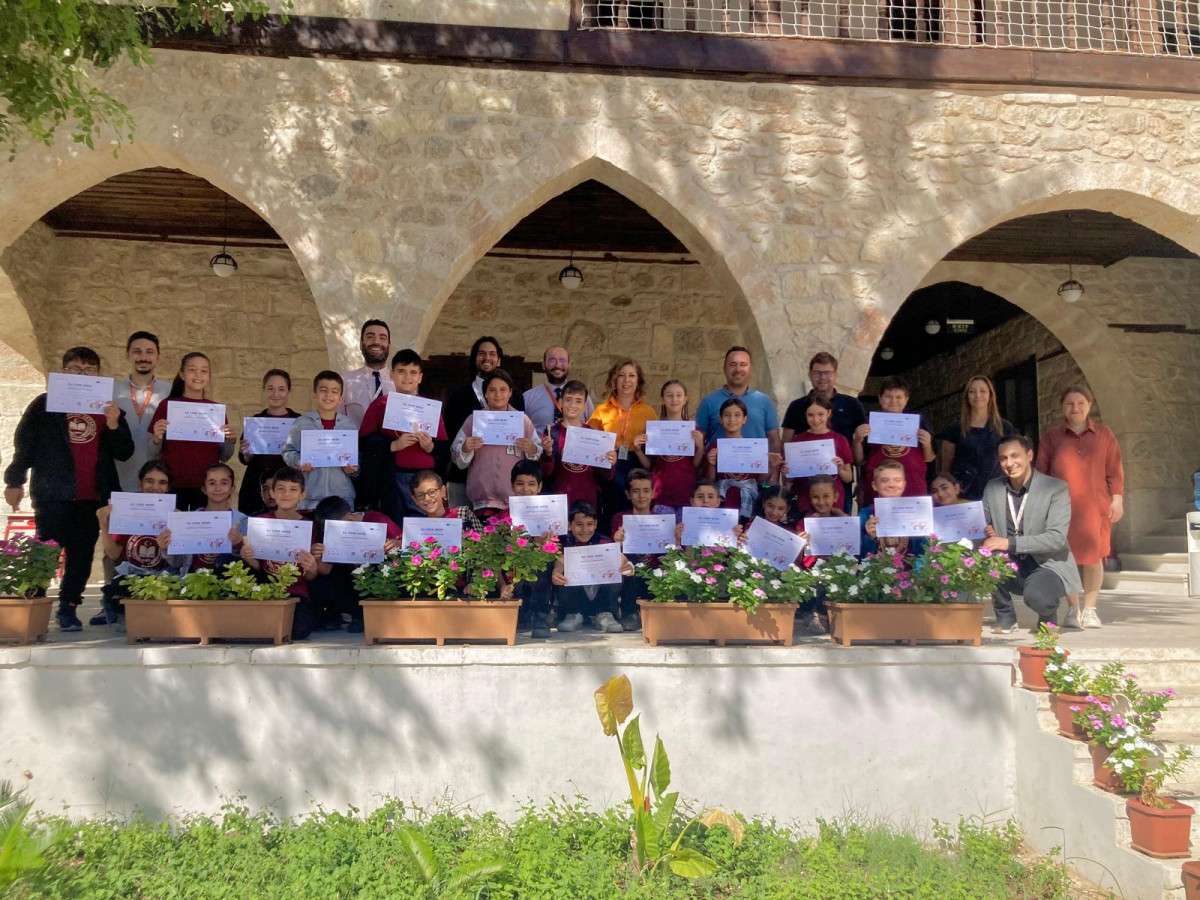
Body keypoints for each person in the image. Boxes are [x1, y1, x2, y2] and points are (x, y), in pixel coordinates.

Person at [4, 347, 134, 631]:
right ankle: (34, 605)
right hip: (53, 493)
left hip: (92, 497)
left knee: (81, 556)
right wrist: (14, 480)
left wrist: (114, 424)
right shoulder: (44, 405)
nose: (82, 374)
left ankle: (68, 607)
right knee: (45, 553)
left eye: (89, 370)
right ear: (64, 372)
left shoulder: (107, 408)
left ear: (98, 374)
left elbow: (125, 452)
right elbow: (24, 444)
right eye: (75, 369)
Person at [1035, 386, 1124, 630]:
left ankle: (1091, 609)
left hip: (1096, 507)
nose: (1075, 408)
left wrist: (1117, 499)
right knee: (1066, 559)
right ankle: (1073, 609)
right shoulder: (1052, 437)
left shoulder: (1104, 434)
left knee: (1095, 557)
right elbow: (1041, 473)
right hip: (1061, 509)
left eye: (1080, 403)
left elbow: (1115, 470)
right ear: (1062, 407)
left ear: (1089, 405)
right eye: (1069, 404)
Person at [983, 435, 1082, 634]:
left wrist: (1008, 543)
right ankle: (1005, 619)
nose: (1009, 463)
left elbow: (1056, 538)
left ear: (1029, 455)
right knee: (985, 558)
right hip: (1011, 563)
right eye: (1003, 458)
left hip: (1047, 564)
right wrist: (985, 531)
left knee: (1038, 596)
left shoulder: (1056, 488)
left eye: (1015, 456)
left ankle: (1048, 618)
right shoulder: (992, 488)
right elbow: (981, 523)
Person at [94, 460, 186, 630]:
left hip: (165, 580)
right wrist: (103, 524)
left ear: (168, 487)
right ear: (140, 483)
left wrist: (166, 545)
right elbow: (113, 554)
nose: (155, 487)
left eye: (162, 482)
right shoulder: (126, 512)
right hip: (133, 579)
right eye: (149, 481)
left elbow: (180, 562)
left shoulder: (177, 516)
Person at [359, 349, 448, 521]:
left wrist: (430, 446)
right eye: (401, 371)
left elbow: (444, 448)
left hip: (426, 479)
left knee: (423, 528)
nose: (407, 377)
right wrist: (393, 445)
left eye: (413, 372)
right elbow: (363, 442)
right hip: (392, 479)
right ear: (391, 374)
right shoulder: (380, 405)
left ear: (420, 377)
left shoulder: (430, 408)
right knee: (396, 527)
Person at [239, 467, 321, 639]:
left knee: (299, 630)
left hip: (295, 592)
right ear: (272, 493)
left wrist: (312, 567)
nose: (286, 494)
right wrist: (249, 558)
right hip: (264, 589)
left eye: (293, 489)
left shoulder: (310, 527)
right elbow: (258, 567)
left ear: (302, 494)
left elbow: (310, 576)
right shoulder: (260, 522)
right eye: (281, 489)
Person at [149, 352, 236, 511]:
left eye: (204, 371)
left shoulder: (216, 410)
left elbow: (224, 456)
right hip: (172, 484)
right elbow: (153, 452)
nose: (198, 375)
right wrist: (156, 438)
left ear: (209, 376)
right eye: (192, 370)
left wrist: (230, 440)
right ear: (182, 374)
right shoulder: (167, 406)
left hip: (206, 488)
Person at [450, 369, 540, 517]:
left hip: (514, 501)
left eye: (503, 390)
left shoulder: (522, 421)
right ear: (485, 394)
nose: (498, 394)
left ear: (510, 393)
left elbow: (537, 452)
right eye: (492, 390)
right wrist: (465, 447)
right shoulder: (474, 421)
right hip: (483, 502)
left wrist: (531, 448)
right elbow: (456, 454)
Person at [551, 501, 633, 634]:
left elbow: (620, 558)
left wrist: (627, 565)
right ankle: (573, 614)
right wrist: (556, 572)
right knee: (563, 571)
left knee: (615, 568)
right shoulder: (564, 542)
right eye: (579, 525)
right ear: (570, 525)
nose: (585, 530)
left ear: (595, 524)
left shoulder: (603, 541)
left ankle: (605, 614)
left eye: (589, 524)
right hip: (575, 596)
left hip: (600, 594)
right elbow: (560, 561)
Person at [282, 371, 359, 511]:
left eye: (334, 391)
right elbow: (288, 451)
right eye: (323, 390)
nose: (328, 395)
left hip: (342, 498)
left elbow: (357, 458)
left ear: (341, 397)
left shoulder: (349, 425)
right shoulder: (302, 423)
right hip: (309, 497)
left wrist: (353, 469)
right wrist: (298, 462)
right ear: (315, 394)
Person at [855, 376, 935, 507]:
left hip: (913, 487)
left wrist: (927, 444)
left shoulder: (919, 422)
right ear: (880, 398)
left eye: (899, 397)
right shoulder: (869, 423)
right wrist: (857, 441)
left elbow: (929, 458)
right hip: (879, 489)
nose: (893, 401)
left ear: (906, 399)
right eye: (888, 396)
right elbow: (859, 460)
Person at [936, 375, 1015, 501]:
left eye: (983, 391)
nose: (978, 395)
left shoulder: (1005, 427)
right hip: (964, 497)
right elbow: (945, 471)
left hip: (997, 495)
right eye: (972, 392)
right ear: (967, 397)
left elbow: (1013, 461)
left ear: (990, 395)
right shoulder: (954, 429)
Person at [632, 379, 704, 518]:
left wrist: (700, 447)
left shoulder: (694, 430)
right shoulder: (653, 429)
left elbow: (695, 465)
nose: (674, 399)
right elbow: (649, 465)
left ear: (685, 399)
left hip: (686, 492)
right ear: (663, 399)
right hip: (660, 495)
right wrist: (637, 450)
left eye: (678, 395)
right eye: (669, 395)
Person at [541, 380, 616, 510]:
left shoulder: (594, 435)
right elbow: (545, 473)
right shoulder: (551, 432)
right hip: (559, 502)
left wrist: (610, 462)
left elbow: (606, 476)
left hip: (588, 502)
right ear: (560, 403)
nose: (573, 405)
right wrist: (547, 454)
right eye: (568, 400)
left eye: (578, 401)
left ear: (585, 405)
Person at [113, 331, 172, 493]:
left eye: (149, 352)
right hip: (118, 477)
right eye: (137, 351)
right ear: (128, 355)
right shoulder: (112, 390)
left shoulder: (170, 392)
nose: (143, 357)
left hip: (156, 483)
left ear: (158, 357)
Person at [166, 463, 248, 576]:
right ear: (204, 489)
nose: (218, 488)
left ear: (232, 489)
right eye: (212, 483)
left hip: (229, 581)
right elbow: (177, 562)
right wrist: (166, 547)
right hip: (192, 580)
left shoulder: (242, 520)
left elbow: (250, 562)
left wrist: (239, 543)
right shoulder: (189, 520)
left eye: (224, 483)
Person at [695, 347, 782, 454]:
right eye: (732, 364)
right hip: (718, 464)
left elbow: (774, 440)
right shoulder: (708, 402)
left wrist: (775, 463)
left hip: (756, 464)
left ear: (750, 369)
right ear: (724, 368)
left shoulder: (765, 401)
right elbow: (698, 441)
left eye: (743, 364)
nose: (738, 369)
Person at [237, 369, 300, 515]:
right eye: (270, 388)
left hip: (288, 489)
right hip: (256, 490)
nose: (275, 394)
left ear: (289, 391)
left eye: (281, 389)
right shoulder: (255, 421)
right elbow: (245, 458)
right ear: (264, 390)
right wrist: (246, 454)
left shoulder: (300, 422)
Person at [703, 397, 776, 520]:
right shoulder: (715, 447)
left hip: (747, 501)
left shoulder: (754, 447)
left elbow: (761, 480)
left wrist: (771, 465)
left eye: (737, 415)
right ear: (721, 419)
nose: (732, 419)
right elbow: (710, 480)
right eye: (727, 415)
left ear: (744, 419)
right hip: (723, 500)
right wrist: (711, 463)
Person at [507, 461, 555, 638]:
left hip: (539, 570)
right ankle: (521, 615)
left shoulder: (551, 513)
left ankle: (540, 617)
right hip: (511, 570)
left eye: (531, 484)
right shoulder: (504, 516)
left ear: (539, 487)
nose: (525, 489)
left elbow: (557, 550)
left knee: (542, 562)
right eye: (520, 483)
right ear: (512, 485)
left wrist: (540, 544)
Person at [781, 352, 867, 448]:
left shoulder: (853, 404)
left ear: (835, 375)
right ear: (810, 375)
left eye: (827, 373)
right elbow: (786, 444)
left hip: (844, 457)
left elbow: (861, 442)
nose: (822, 377)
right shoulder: (796, 406)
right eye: (817, 373)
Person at [787, 396, 853, 517]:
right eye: (810, 415)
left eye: (820, 414)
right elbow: (790, 480)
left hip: (831, 500)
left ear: (829, 413)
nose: (816, 419)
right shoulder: (797, 441)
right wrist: (787, 472)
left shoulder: (840, 440)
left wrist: (840, 468)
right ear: (805, 415)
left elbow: (848, 478)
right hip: (804, 497)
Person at [610, 467, 656, 632]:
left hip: (655, 568)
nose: (641, 496)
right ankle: (630, 613)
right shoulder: (619, 518)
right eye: (636, 491)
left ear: (653, 493)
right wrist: (617, 542)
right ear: (628, 494)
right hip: (631, 569)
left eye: (646, 491)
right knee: (627, 568)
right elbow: (614, 552)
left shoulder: (662, 519)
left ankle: (659, 611)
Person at [859, 459, 928, 559]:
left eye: (897, 480)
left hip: (911, 568)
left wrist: (922, 532)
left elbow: (923, 552)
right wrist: (869, 537)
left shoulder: (915, 512)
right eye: (884, 480)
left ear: (904, 484)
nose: (891, 485)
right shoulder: (865, 514)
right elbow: (857, 556)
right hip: (875, 568)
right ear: (874, 485)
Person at [522, 346, 593, 433]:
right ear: (543, 365)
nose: (557, 365)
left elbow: (593, 430)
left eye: (562, 360)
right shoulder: (528, 398)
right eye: (552, 360)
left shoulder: (583, 398)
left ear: (569, 364)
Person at [340, 320, 394, 427]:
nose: (376, 342)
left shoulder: (400, 382)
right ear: (361, 344)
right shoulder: (344, 381)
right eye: (370, 337)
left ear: (389, 345)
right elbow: (337, 422)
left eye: (382, 338)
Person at [407, 469, 483, 530]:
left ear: (443, 491)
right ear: (415, 499)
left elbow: (483, 540)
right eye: (420, 495)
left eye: (432, 492)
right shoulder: (417, 527)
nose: (427, 498)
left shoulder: (462, 514)